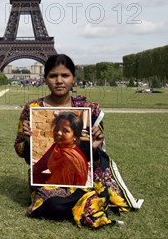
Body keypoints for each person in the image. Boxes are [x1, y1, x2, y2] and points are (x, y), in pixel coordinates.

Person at [14, 54, 143, 228]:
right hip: (50, 182)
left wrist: (95, 146)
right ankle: (87, 201)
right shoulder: (32, 109)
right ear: (45, 79)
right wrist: (29, 141)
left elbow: (95, 160)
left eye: (65, 75)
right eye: (53, 76)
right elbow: (27, 157)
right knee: (53, 205)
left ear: (74, 79)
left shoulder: (89, 109)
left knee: (57, 206)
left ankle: (80, 200)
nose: (59, 81)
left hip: (83, 178)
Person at [32, 112, 88, 186]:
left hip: (70, 190)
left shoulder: (71, 158)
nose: (58, 132)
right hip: (57, 181)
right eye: (57, 128)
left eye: (65, 131)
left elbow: (63, 186)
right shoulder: (57, 147)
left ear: (75, 136)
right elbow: (40, 166)